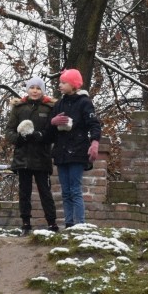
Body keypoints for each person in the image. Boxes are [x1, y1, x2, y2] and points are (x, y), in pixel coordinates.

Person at [45, 69, 101, 228]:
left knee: (75, 189)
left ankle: (81, 224)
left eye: (63, 83)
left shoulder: (84, 102)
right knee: (65, 191)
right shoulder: (59, 104)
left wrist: (95, 142)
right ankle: (69, 223)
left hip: (77, 151)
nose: (60, 86)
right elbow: (49, 134)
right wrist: (52, 122)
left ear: (73, 84)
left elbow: (94, 124)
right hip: (61, 153)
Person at [4, 77, 59, 236]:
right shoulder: (19, 107)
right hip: (23, 156)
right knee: (24, 191)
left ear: (43, 91)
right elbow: (9, 131)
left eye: (38, 88)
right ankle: (26, 224)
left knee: (45, 191)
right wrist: (19, 139)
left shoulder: (49, 107)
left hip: (42, 155)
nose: (35, 91)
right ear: (27, 89)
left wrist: (41, 136)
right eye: (32, 88)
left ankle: (52, 223)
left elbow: (53, 132)